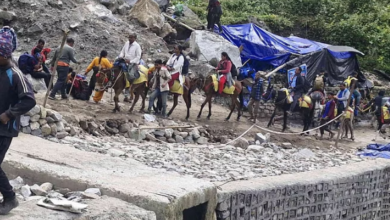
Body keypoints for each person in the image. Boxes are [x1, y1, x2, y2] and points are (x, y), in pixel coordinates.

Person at [0, 31, 36, 215]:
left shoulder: (15, 75)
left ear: (4, 55)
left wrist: (9, 114)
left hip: (5, 128)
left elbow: (29, 100)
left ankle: (10, 198)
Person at [118, 33, 142, 102]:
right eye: (129, 37)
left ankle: (128, 93)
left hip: (132, 63)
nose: (130, 39)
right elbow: (122, 52)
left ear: (135, 38)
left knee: (130, 76)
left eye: (131, 38)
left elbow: (138, 56)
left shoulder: (137, 46)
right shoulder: (126, 43)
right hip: (124, 61)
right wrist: (121, 56)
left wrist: (131, 61)